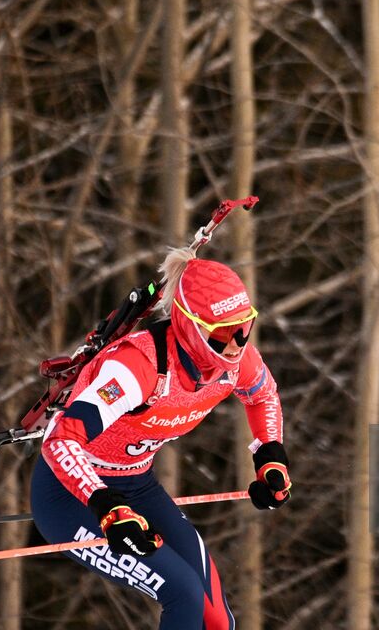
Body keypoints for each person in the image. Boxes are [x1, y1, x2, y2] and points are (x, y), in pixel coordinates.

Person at [31, 247, 290, 630]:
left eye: (244, 327)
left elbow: (263, 395)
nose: (237, 343)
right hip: (71, 496)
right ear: (189, 325)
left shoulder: (234, 364)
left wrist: (270, 455)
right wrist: (105, 506)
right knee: (182, 594)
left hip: (137, 485)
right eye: (222, 334)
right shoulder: (139, 368)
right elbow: (59, 441)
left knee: (217, 620)